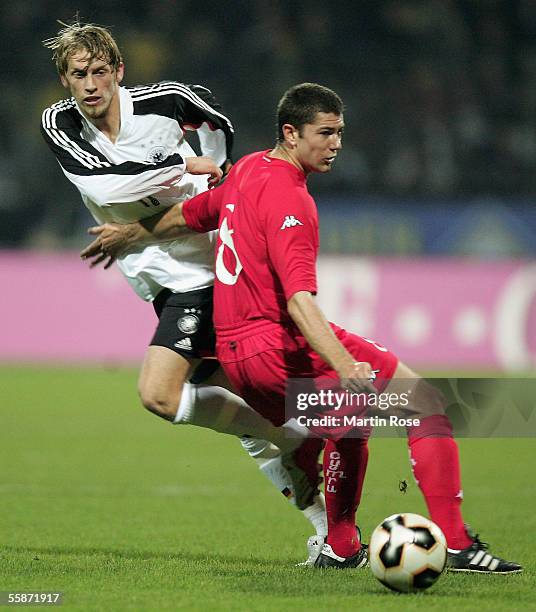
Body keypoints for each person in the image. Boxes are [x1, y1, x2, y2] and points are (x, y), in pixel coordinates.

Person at [83, 83, 523, 574]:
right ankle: (458, 544)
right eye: (326, 133)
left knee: (349, 425)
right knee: (425, 404)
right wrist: (343, 363)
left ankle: (339, 543)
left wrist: (130, 233)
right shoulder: (292, 201)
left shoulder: (249, 168)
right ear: (291, 134)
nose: (336, 143)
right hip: (274, 344)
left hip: (237, 356)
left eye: (340, 133)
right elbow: (298, 299)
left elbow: (192, 214)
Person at [40, 21, 329, 557]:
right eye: (79, 74)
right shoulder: (59, 123)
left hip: (199, 268)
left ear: (119, 71)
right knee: (238, 399)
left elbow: (216, 123)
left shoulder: (166, 101)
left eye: (101, 71)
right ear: (65, 79)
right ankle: (328, 523)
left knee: (159, 393)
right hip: (155, 279)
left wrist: (214, 172)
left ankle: (292, 436)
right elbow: (106, 184)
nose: (91, 84)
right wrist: (180, 165)